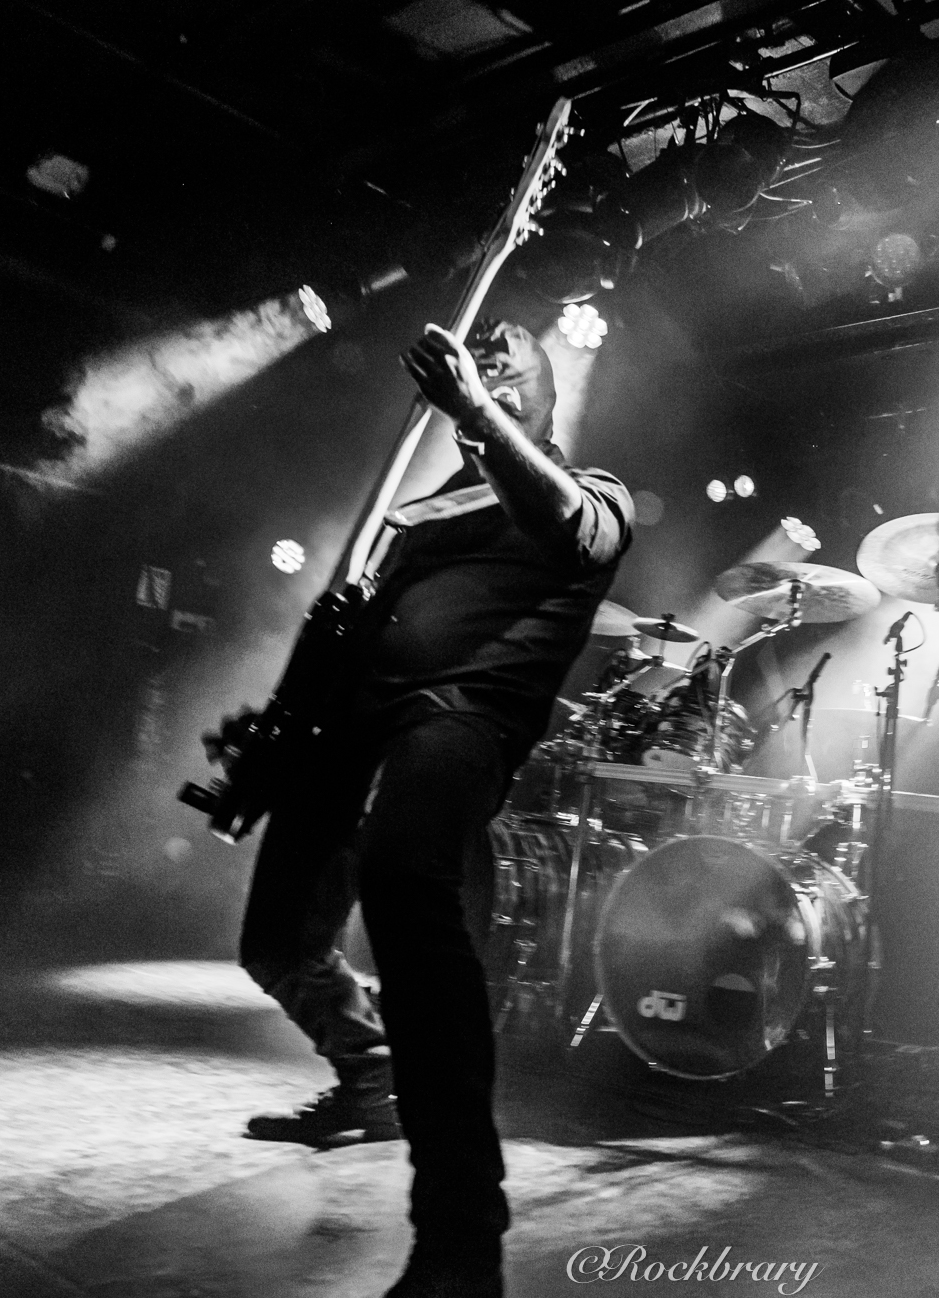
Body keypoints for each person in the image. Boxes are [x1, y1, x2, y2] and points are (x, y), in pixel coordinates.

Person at [236, 320, 633, 1298]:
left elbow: (570, 527)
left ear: (549, 398)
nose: (489, 362)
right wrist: (281, 725)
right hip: (353, 728)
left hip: (459, 719)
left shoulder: (587, 490)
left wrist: (478, 410)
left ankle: (461, 1235)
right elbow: (356, 630)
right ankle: (369, 1071)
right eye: (479, 361)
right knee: (275, 939)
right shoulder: (421, 511)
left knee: (406, 883)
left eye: (509, 364)